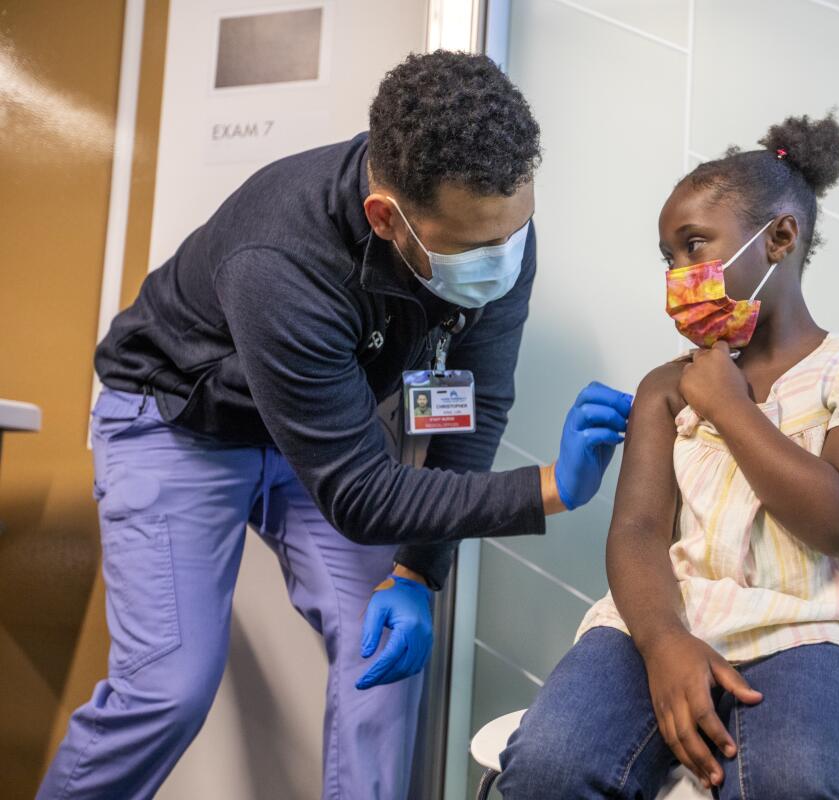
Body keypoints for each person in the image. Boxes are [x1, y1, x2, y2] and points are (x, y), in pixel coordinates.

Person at [38, 51, 631, 800]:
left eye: (515, 230)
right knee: (168, 689)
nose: (502, 261)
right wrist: (549, 487)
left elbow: (470, 407)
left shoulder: (499, 232)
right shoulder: (279, 256)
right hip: (176, 419)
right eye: (476, 247)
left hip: (326, 424)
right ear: (387, 217)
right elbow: (360, 494)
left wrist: (419, 570)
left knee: (379, 658)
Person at [497, 112, 839, 799]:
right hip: (667, 619)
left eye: (695, 245)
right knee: (548, 763)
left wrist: (729, 407)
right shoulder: (665, 387)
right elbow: (638, 532)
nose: (680, 274)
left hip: (826, 633)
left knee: (793, 778)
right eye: (668, 258)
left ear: (780, 239)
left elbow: (838, 520)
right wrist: (662, 642)